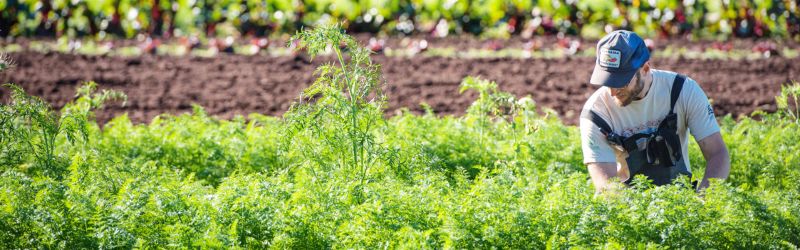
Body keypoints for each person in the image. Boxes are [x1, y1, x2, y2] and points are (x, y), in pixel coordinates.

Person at [580, 30, 730, 194]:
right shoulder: (596, 113)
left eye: (621, 82)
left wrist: (705, 199)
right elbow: (607, 186)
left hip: (681, 199)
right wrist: (636, 209)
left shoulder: (682, 90)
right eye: (607, 81)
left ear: (645, 69)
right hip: (625, 203)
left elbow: (717, 153)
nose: (612, 92)